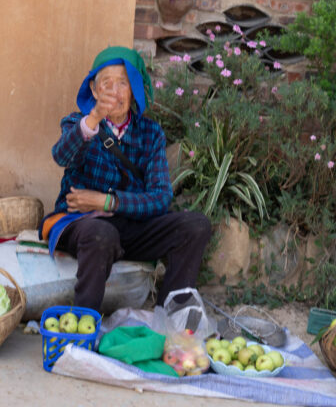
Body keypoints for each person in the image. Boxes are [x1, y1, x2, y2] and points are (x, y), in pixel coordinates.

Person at [41, 47, 211, 311]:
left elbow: (160, 198)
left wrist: (106, 202)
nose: (115, 92)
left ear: (133, 91)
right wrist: (93, 119)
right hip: (83, 224)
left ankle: (170, 317)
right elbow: (61, 156)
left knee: (195, 225)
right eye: (106, 84)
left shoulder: (150, 133)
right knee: (101, 234)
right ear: (95, 91)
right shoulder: (78, 123)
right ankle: (84, 324)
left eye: (123, 83)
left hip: (131, 227)